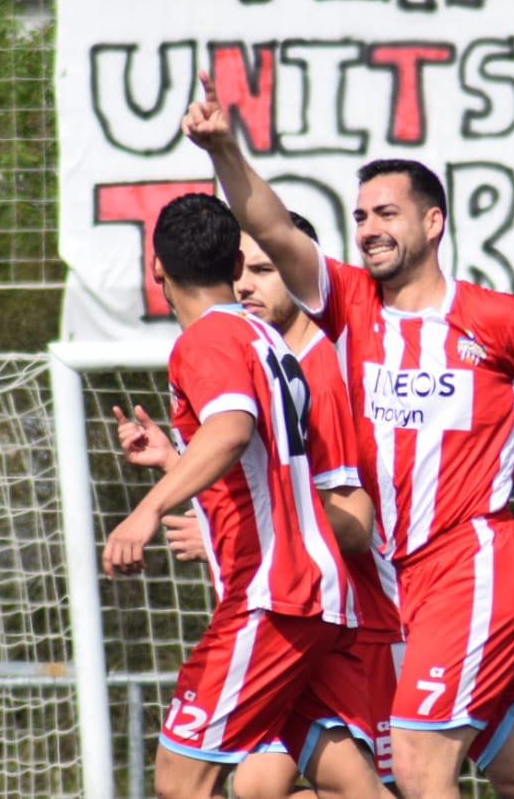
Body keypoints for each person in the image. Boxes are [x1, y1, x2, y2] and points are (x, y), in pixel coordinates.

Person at [182, 71, 514, 799]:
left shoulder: (499, 321)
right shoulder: (348, 302)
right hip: (395, 590)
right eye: (359, 216)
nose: (367, 230)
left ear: (433, 223)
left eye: (385, 213)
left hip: (473, 565)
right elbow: (269, 225)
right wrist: (226, 152)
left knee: (420, 767)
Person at [102, 192, 385, 799]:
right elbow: (264, 470)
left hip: (272, 597)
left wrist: (145, 513)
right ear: (235, 266)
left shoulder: (206, 342)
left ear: (157, 269)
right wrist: (174, 459)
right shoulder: (270, 341)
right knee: (335, 785)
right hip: (314, 595)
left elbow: (233, 432)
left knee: (182, 781)